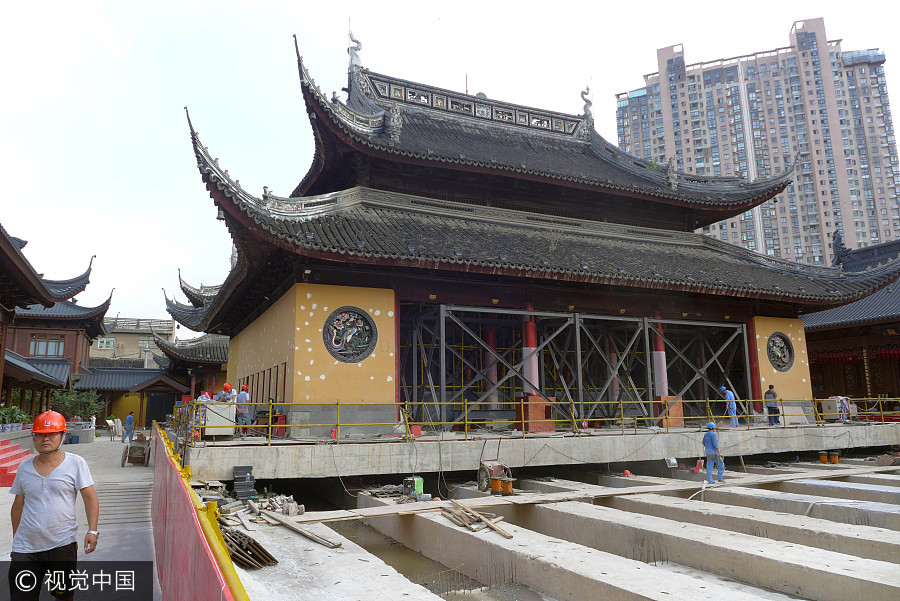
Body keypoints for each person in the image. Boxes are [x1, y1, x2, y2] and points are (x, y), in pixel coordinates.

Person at [8, 410, 99, 601]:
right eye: (39, 435)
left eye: (51, 434)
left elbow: (89, 497)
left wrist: (92, 531)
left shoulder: (76, 464)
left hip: (61, 545)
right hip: (26, 548)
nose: (45, 439)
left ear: (63, 436)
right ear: (33, 437)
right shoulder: (24, 468)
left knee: (64, 596)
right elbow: (18, 506)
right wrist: (17, 539)